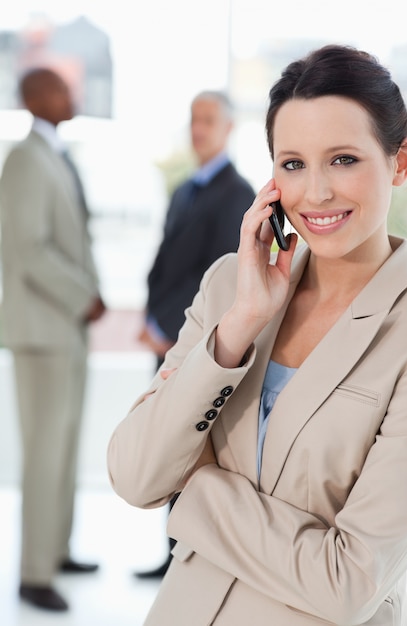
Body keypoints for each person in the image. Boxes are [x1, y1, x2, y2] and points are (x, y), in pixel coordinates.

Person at [107, 43, 407, 625]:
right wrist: (240, 325)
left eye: (344, 159)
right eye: (293, 164)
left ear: (400, 163)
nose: (316, 192)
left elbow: (348, 582)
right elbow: (134, 473)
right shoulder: (232, 287)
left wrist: (193, 489)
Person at [135, 90, 255, 578]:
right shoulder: (185, 190)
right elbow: (164, 266)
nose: (198, 128)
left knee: (198, 451)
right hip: (167, 338)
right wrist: (149, 321)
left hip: (201, 344)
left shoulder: (239, 193)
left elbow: (220, 275)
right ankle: (170, 557)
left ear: (228, 129)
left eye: (208, 119)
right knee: (169, 445)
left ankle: (190, 559)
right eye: (193, 119)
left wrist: (166, 326)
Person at [0, 68, 106, 612]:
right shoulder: (24, 160)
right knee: (43, 454)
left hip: (63, 330)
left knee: (62, 449)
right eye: (64, 88)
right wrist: (82, 295)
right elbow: (29, 248)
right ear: (36, 96)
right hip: (43, 330)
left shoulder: (55, 155)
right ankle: (32, 573)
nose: (74, 94)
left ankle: (57, 550)